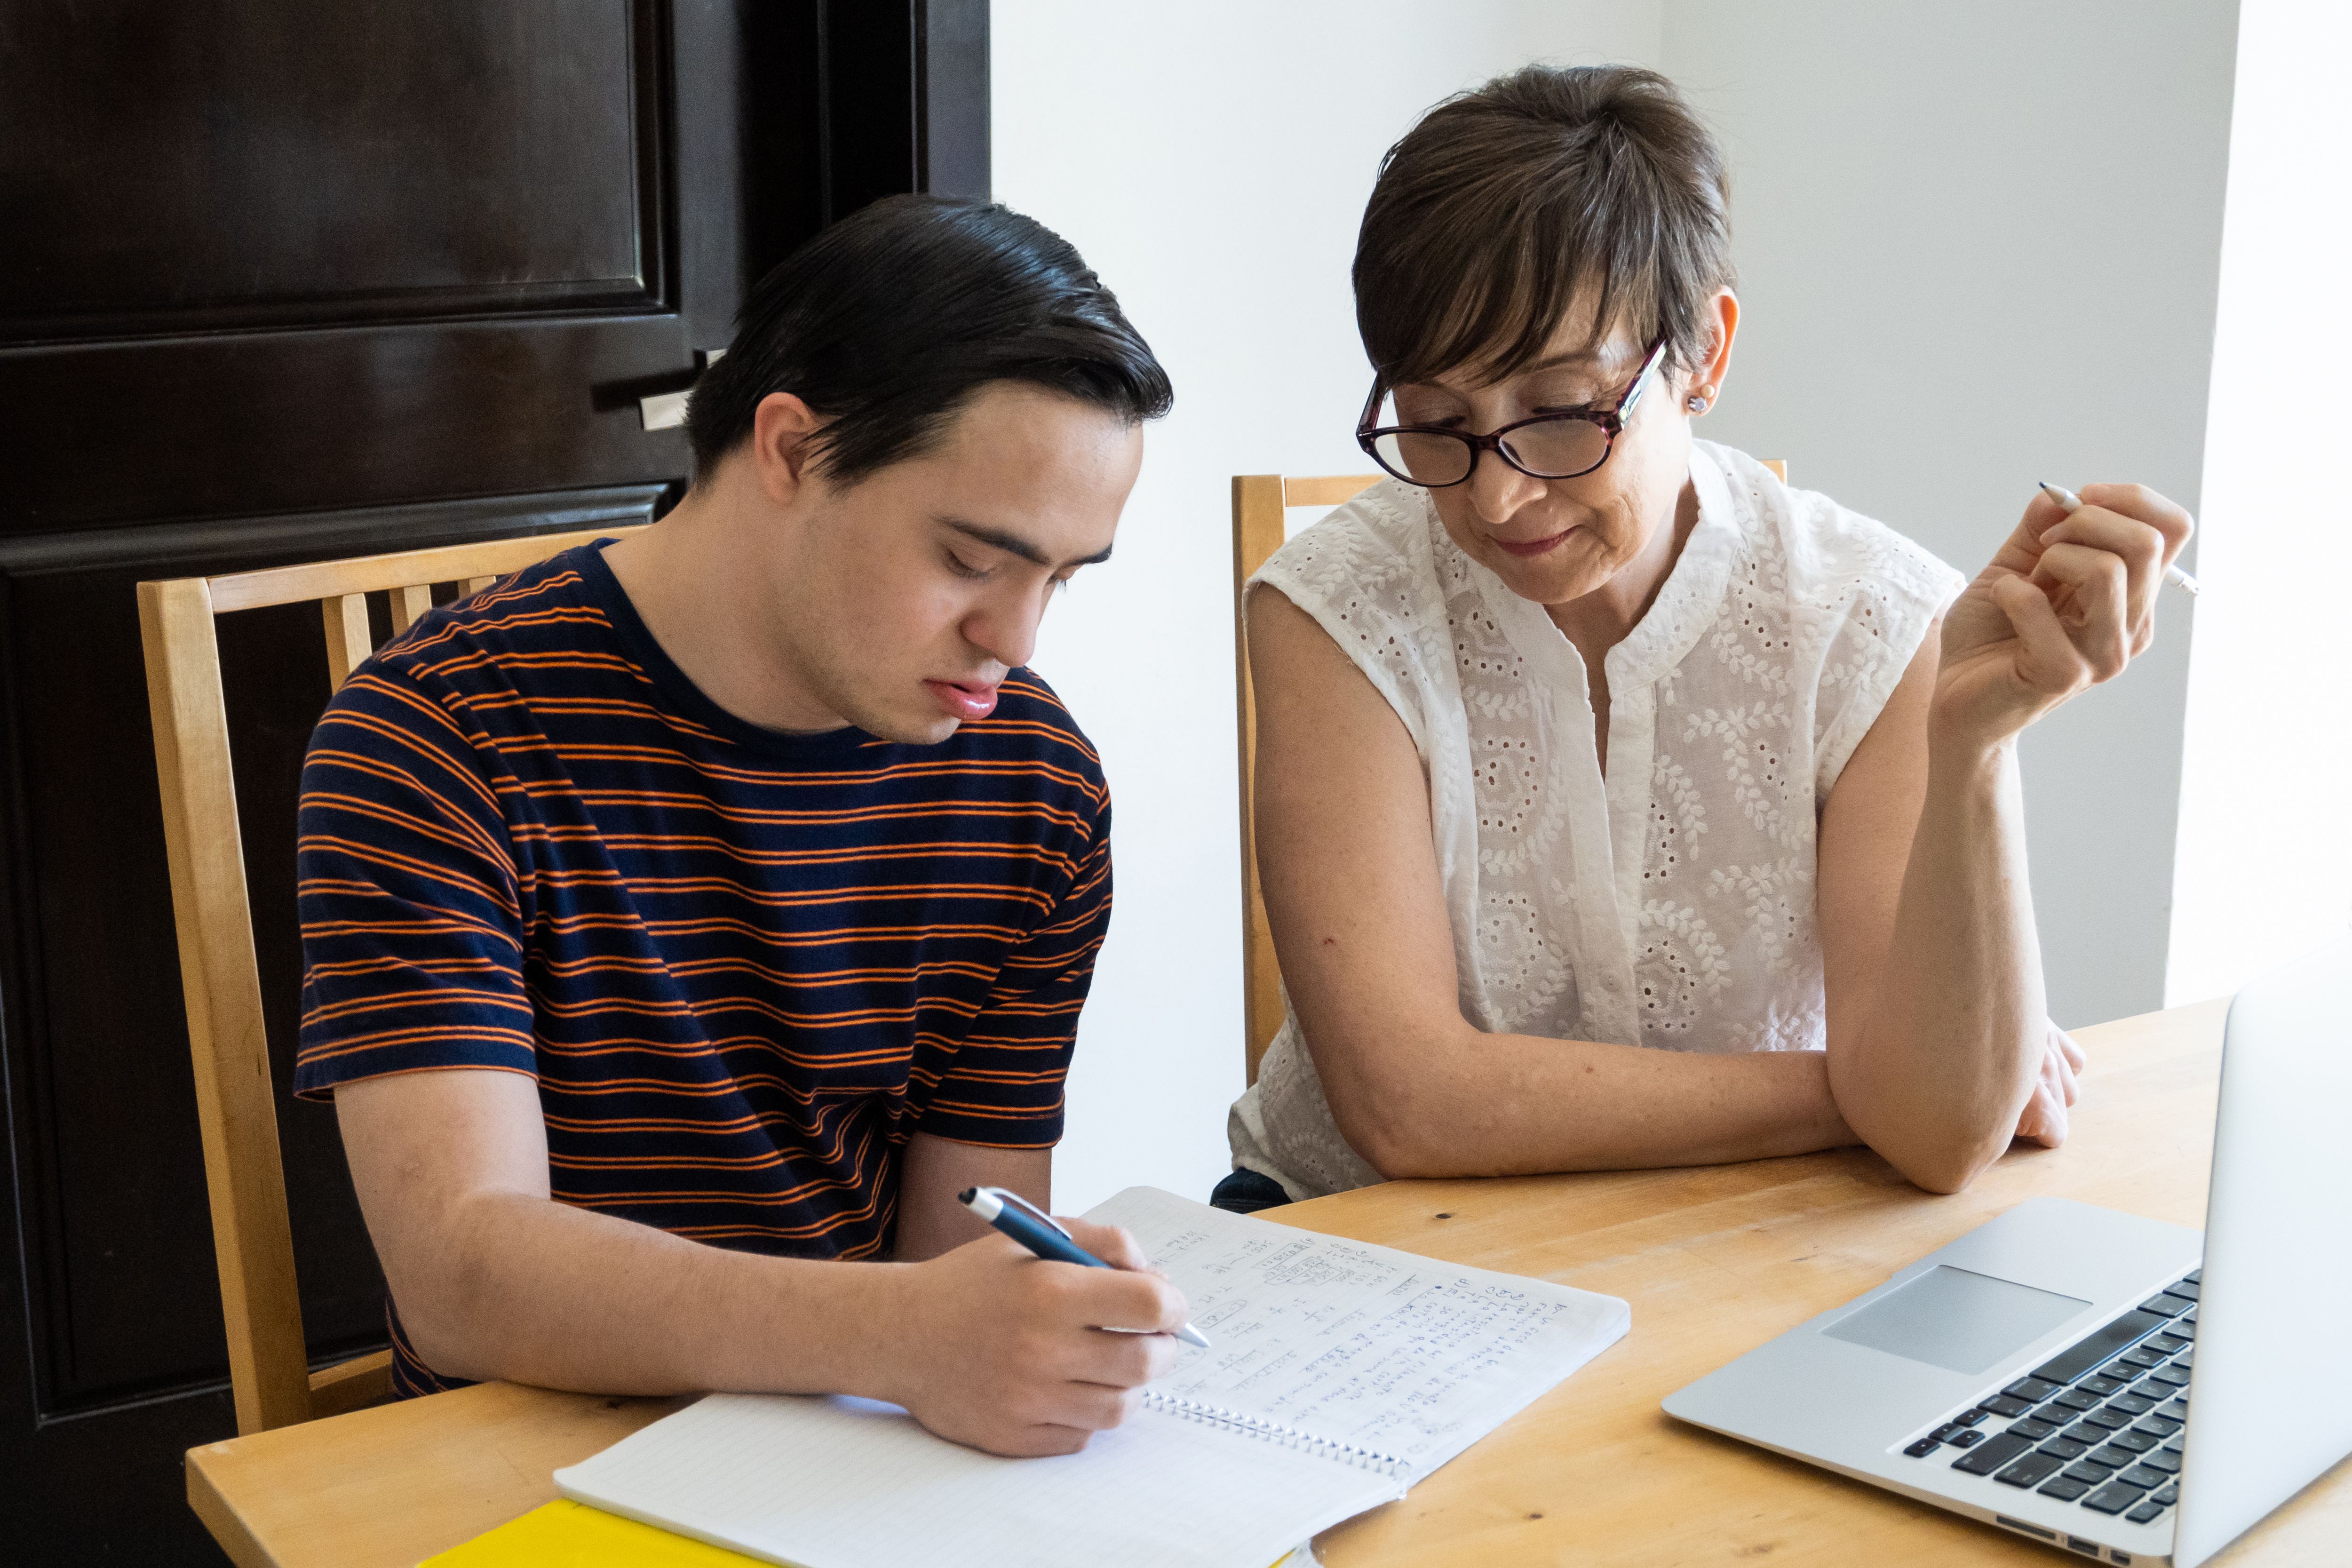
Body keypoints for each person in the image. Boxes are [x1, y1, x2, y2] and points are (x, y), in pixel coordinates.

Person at [294, 195, 1190, 1458]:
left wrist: (1015, 1325)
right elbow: (462, 1277)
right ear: (791, 449)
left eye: (1061, 576)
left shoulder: (1030, 776)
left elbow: (957, 1249)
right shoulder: (438, 732)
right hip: (528, 1464)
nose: (1016, 640)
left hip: (855, 1453)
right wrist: (905, 1332)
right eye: (975, 560)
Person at [1219, 65, 2192, 1212]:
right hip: (1365, 1234)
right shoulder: (1334, 605)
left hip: (1742, 1216)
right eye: (1437, 427)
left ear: (1705, 356)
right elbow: (1410, 1106)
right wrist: (1858, 1089)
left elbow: (1936, 1140)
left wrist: (1974, 742)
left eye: (1562, 412)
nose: (1497, 498)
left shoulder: (1865, 620)